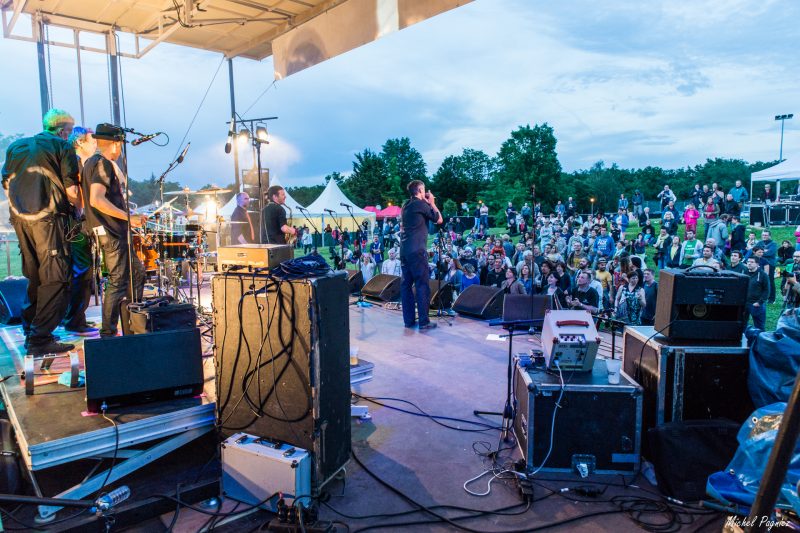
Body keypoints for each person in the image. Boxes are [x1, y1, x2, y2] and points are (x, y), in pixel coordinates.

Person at [1, 108, 82, 355]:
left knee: (34, 276)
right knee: (56, 278)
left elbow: (6, 183)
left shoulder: (16, 147)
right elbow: (71, 190)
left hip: (22, 220)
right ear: (63, 130)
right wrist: (80, 212)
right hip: (50, 220)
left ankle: (30, 329)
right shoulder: (62, 146)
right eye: (70, 131)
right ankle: (40, 339)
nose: (70, 136)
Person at [82, 123, 147, 338]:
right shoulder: (102, 164)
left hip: (111, 231)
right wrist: (129, 217)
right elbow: (96, 199)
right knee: (118, 280)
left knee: (136, 274)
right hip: (111, 232)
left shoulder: (91, 163)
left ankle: (133, 325)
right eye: (120, 145)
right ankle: (108, 334)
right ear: (116, 144)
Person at [61, 126, 99, 336]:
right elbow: (73, 193)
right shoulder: (74, 162)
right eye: (92, 140)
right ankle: (74, 320)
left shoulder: (81, 163)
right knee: (82, 270)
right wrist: (82, 210)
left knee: (81, 271)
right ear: (80, 142)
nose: (96, 144)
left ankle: (76, 317)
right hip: (75, 223)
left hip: (76, 222)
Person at [400, 180, 442, 330]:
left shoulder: (405, 205)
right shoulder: (421, 204)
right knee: (422, 285)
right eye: (424, 190)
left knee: (406, 285)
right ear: (419, 191)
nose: (426, 192)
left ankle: (409, 321)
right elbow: (439, 219)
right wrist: (432, 203)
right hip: (417, 251)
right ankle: (424, 322)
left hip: (404, 250)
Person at [744, 256, 769, 330]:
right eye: (748, 262)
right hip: (744, 303)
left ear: (757, 264)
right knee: (742, 324)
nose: (749, 263)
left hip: (756, 304)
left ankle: (760, 337)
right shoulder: (744, 273)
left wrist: (759, 302)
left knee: (759, 326)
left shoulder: (763, 275)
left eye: (752, 262)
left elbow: (767, 290)